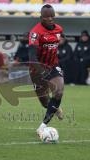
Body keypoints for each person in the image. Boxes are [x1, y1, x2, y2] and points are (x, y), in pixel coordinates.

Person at [28, 4, 64, 135]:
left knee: (59, 91)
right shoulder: (35, 33)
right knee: (45, 102)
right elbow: (32, 55)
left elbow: (60, 39)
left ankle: (42, 127)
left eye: (52, 16)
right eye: (47, 17)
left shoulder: (59, 29)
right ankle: (56, 107)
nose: (50, 19)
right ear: (41, 17)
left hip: (53, 66)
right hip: (37, 70)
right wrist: (40, 70)